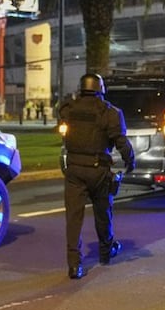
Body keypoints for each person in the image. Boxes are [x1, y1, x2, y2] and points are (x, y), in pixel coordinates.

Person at [58, 73, 135, 280]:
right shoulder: (109, 112)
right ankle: (105, 251)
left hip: (74, 169)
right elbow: (121, 142)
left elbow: (61, 115)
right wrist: (130, 161)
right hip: (98, 170)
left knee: (73, 218)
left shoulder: (69, 108)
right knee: (103, 213)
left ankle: (74, 264)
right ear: (101, 89)